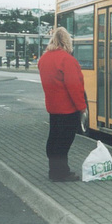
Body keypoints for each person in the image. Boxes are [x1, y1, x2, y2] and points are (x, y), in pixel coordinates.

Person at [38, 27, 86, 182]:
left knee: (53, 140)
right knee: (64, 142)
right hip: (68, 110)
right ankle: (62, 173)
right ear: (67, 42)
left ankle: (54, 170)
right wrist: (82, 107)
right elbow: (74, 87)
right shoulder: (67, 60)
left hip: (53, 108)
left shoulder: (43, 59)